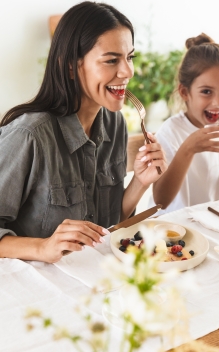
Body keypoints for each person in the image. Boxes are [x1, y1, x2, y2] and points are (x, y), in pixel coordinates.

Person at [0, 1, 167, 263]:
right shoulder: (28, 135)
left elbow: (108, 224)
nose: (128, 71)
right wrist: (43, 248)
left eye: (129, 57)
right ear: (69, 65)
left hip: (94, 278)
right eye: (112, 60)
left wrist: (140, 182)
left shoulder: (115, 124)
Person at [151, 33, 219, 214]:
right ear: (185, 92)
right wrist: (188, 148)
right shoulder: (170, 133)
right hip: (174, 231)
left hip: (209, 225)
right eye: (207, 91)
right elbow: (160, 201)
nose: (218, 103)